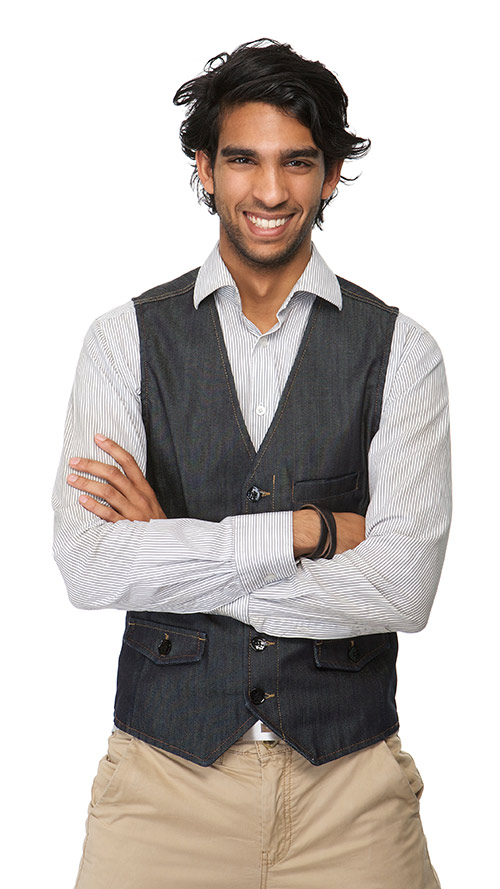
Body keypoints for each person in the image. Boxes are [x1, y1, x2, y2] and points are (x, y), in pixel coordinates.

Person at [53, 38, 451, 889]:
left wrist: (172, 548)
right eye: (243, 160)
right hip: (160, 787)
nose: (270, 192)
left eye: (297, 162)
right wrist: (306, 531)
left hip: (352, 792)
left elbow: (403, 587)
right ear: (204, 168)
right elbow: (90, 568)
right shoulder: (123, 342)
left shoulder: (403, 352)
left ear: (331, 174)